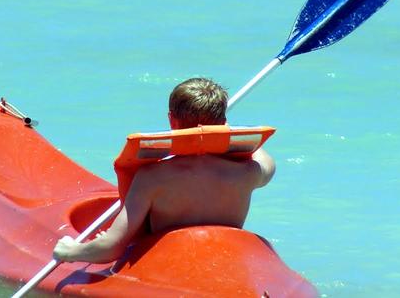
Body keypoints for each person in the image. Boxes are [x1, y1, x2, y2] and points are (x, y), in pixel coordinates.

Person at [53, 77, 276, 264]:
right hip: (224, 260)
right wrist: (228, 136)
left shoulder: (152, 178)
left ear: (171, 120)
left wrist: (70, 251)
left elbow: (111, 248)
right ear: (224, 122)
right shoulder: (246, 173)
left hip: (169, 262)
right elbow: (266, 160)